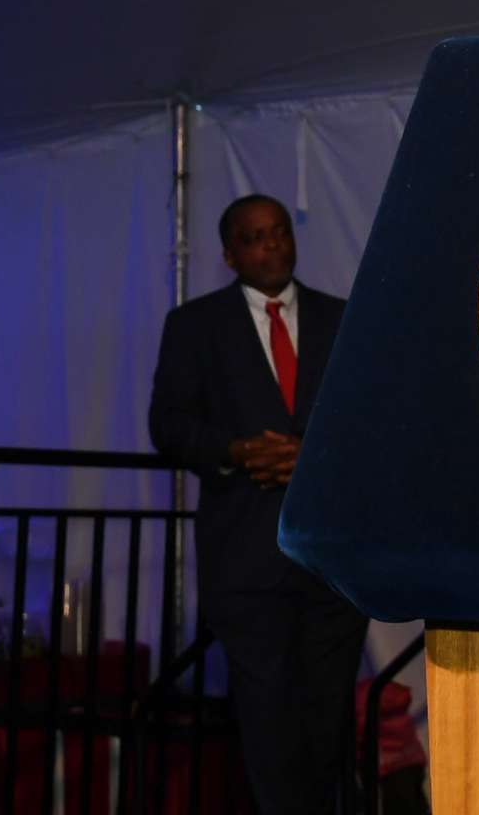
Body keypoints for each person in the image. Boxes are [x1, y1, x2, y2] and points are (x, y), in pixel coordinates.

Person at [148, 193, 369, 815]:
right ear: (228, 252)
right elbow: (167, 424)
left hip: (330, 565)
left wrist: (314, 457)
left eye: (278, 233)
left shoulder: (341, 317)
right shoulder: (194, 325)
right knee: (267, 726)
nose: (270, 246)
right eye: (253, 238)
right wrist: (238, 450)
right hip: (245, 562)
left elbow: (370, 421)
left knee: (327, 726)